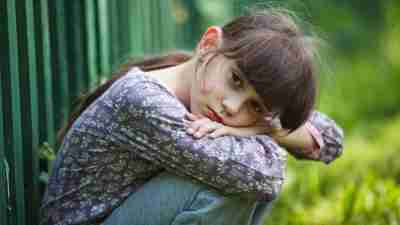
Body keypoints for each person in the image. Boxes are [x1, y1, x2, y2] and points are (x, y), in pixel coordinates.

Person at [40, 7, 343, 225]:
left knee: (238, 166)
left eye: (255, 106)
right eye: (236, 80)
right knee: (231, 182)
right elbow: (265, 175)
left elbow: (330, 140)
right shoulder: (145, 101)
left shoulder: (201, 76)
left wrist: (266, 127)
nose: (232, 107)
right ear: (209, 43)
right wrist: (269, 131)